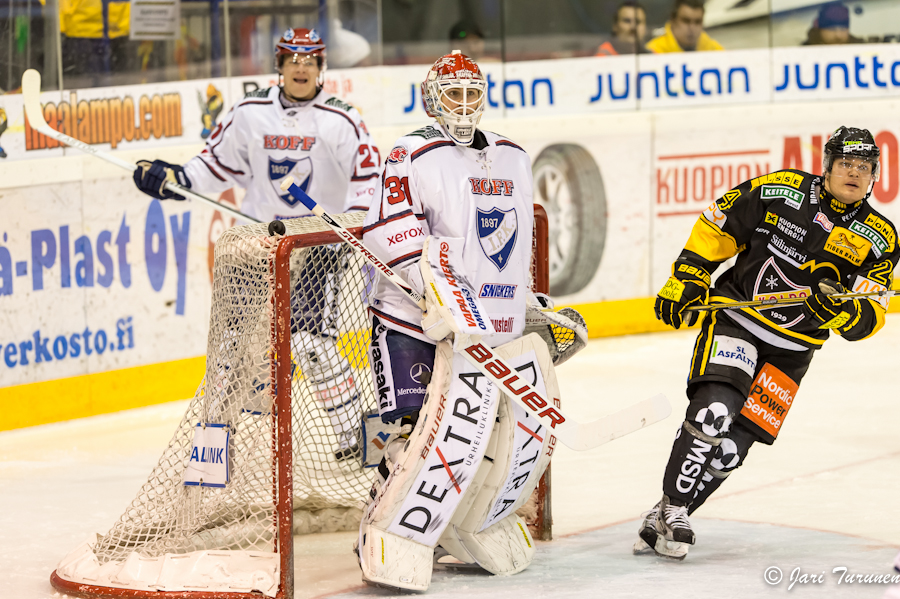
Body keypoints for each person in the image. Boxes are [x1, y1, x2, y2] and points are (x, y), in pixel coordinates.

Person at [636, 126, 900, 560]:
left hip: (794, 351)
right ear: (828, 165)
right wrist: (687, 276)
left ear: (875, 175)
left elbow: (869, 318)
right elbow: (718, 226)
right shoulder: (780, 190)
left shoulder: (880, 236)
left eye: (864, 167)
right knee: (713, 411)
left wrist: (839, 310)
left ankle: (663, 512)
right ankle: (677, 510)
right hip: (738, 319)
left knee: (730, 453)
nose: (854, 173)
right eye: (845, 164)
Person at [356, 50, 558, 591]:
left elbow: (517, 238)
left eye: (473, 93)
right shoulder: (409, 154)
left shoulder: (513, 155)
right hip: (413, 320)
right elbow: (393, 225)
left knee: (475, 433)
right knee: (405, 427)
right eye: (454, 95)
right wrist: (430, 292)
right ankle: (381, 524)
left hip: (486, 326)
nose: (465, 105)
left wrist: (527, 303)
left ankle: (454, 524)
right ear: (432, 98)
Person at [132, 28, 381, 461]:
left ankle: (356, 437)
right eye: (292, 59)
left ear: (322, 68)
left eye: (309, 60)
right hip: (258, 243)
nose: (300, 67)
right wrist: (175, 179)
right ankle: (213, 449)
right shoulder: (249, 112)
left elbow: (369, 183)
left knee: (310, 343)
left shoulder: (342, 119)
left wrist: (344, 230)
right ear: (279, 66)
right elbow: (213, 163)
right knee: (231, 349)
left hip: (317, 243)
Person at [646, 0, 723, 53]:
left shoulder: (715, 50)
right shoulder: (654, 51)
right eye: (686, 21)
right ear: (673, 20)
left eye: (697, 22)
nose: (692, 28)